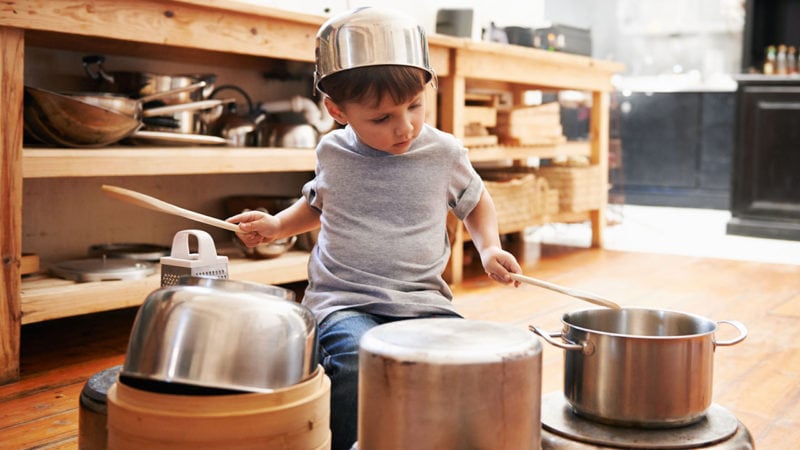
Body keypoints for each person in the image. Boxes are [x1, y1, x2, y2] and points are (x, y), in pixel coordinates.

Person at [227, 7, 521, 450]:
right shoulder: (332, 153)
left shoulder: (444, 152)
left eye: (415, 106)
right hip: (345, 300)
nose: (404, 128)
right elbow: (317, 204)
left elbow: (475, 201)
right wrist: (275, 227)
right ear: (337, 109)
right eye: (381, 119)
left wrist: (489, 248)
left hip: (421, 300)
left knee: (457, 363)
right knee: (359, 362)